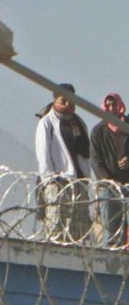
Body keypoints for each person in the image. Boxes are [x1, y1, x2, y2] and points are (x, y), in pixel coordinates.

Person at [34, 85, 93, 244]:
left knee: (79, 229)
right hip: (58, 182)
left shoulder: (78, 123)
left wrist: (87, 178)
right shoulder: (47, 122)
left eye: (71, 101)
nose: (67, 105)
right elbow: (43, 151)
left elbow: (85, 154)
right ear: (55, 100)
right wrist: (49, 178)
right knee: (57, 227)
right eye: (63, 100)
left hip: (78, 182)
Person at [88, 93, 129, 247]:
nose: (111, 108)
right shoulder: (99, 131)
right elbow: (95, 160)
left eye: (114, 105)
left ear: (120, 105)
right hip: (109, 188)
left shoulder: (127, 127)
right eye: (108, 105)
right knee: (112, 232)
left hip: (128, 184)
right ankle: (111, 265)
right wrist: (107, 180)